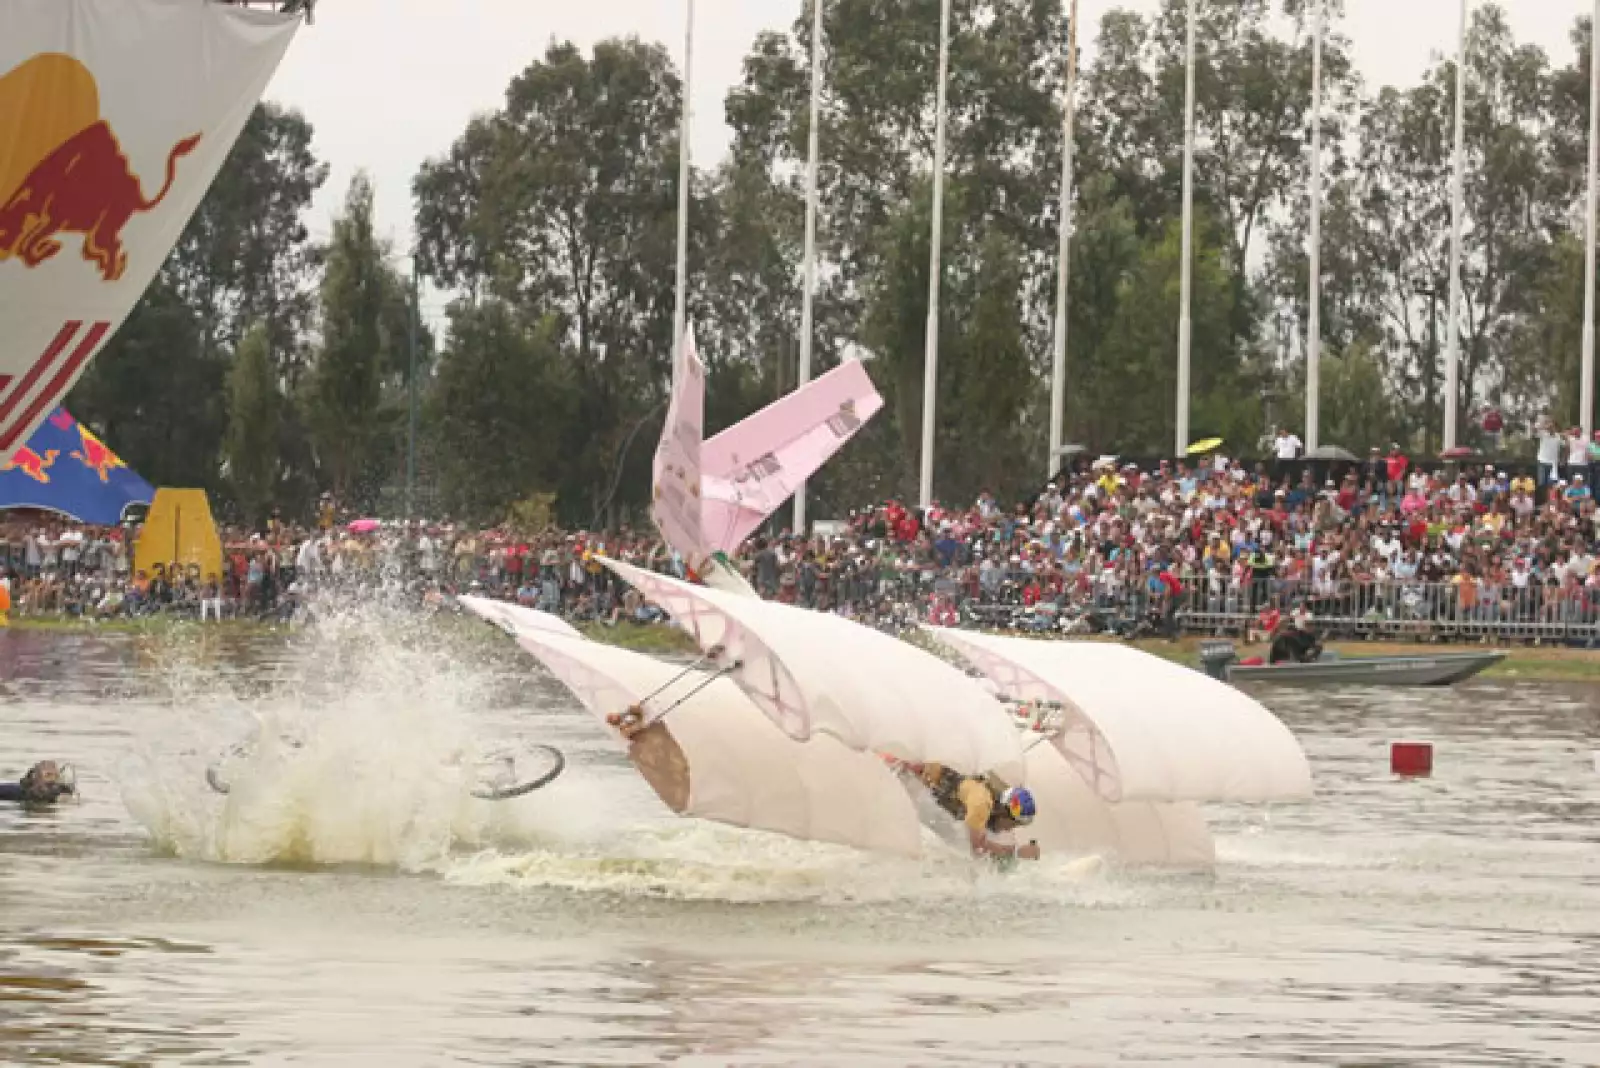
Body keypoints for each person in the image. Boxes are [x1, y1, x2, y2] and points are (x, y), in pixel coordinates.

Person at [914, 762, 1039, 861]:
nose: (1008, 829)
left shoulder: (995, 795)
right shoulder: (981, 803)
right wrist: (1017, 853)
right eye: (1012, 824)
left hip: (933, 782)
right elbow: (978, 849)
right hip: (919, 780)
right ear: (1004, 813)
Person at [0, 761, 75, 805]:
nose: (53, 780)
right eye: (48, 775)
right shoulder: (15, 792)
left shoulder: (61, 790)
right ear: (34, 777)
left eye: (56, 776)